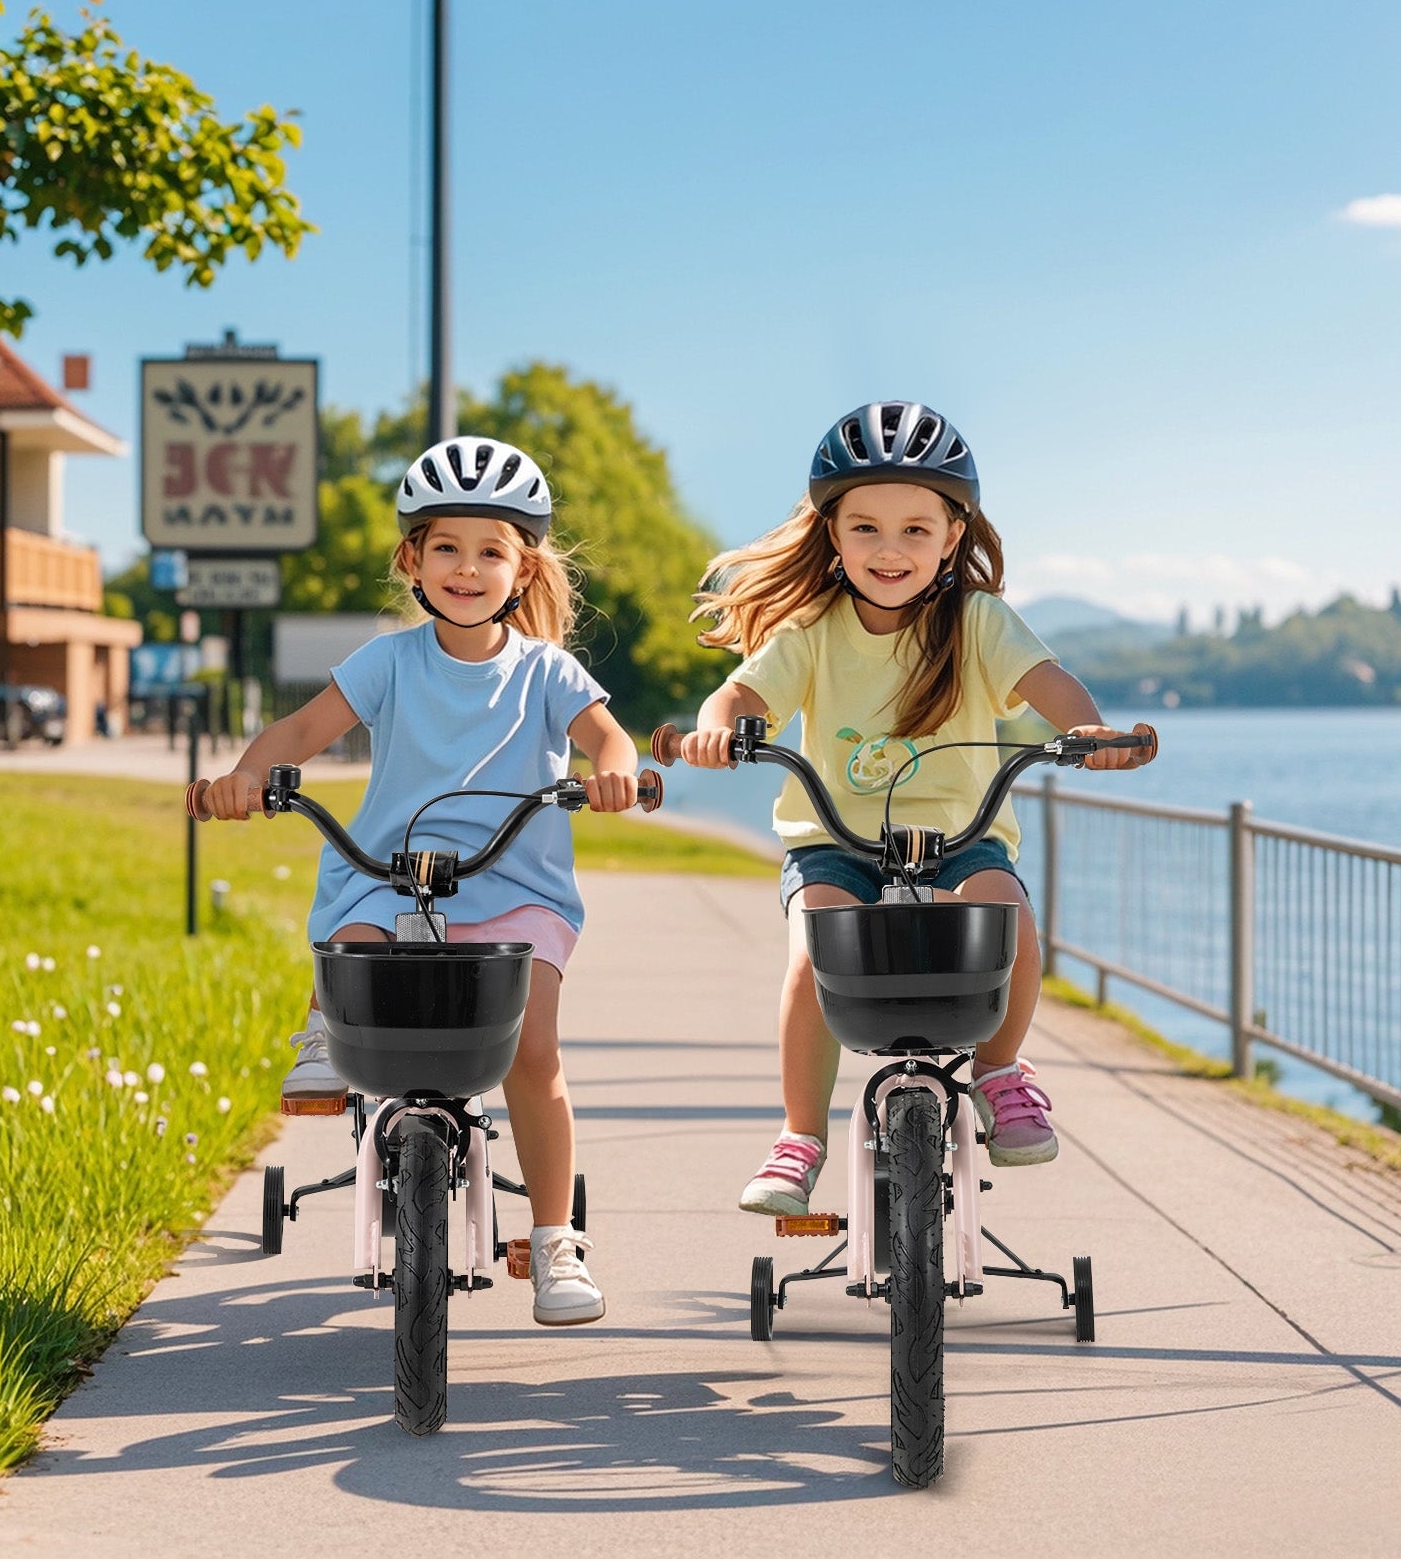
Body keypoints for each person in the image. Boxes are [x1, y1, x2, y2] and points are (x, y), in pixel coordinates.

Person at [197, 435, 641, 1323]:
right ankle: (324, 1034)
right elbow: (298, 732)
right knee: (355, 934)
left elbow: (606, 736)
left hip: (516, 886)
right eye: (446, 547)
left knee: (533, 1051)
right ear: (412, 559)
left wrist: (616, 772)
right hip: (394, 873)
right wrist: (246, 775)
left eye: (490, 551)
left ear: (523, 568)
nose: (467, 569)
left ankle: (554, 1241)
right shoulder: (389, 662)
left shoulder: (545, 671)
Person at [678, 400, 1153, 1215]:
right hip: (835, 842)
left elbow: (1050, 683)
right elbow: (744, 691)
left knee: (1010, 919)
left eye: (914, 530)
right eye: (865, 528)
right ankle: (799, 1136)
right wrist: (717, 727)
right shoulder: (813, 628)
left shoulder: (978, 621)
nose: (889, 550)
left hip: (960, 837)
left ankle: (1000, 1071)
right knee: (813, 952)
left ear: (952, 537)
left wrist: (1087, 730)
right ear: (833, 534)